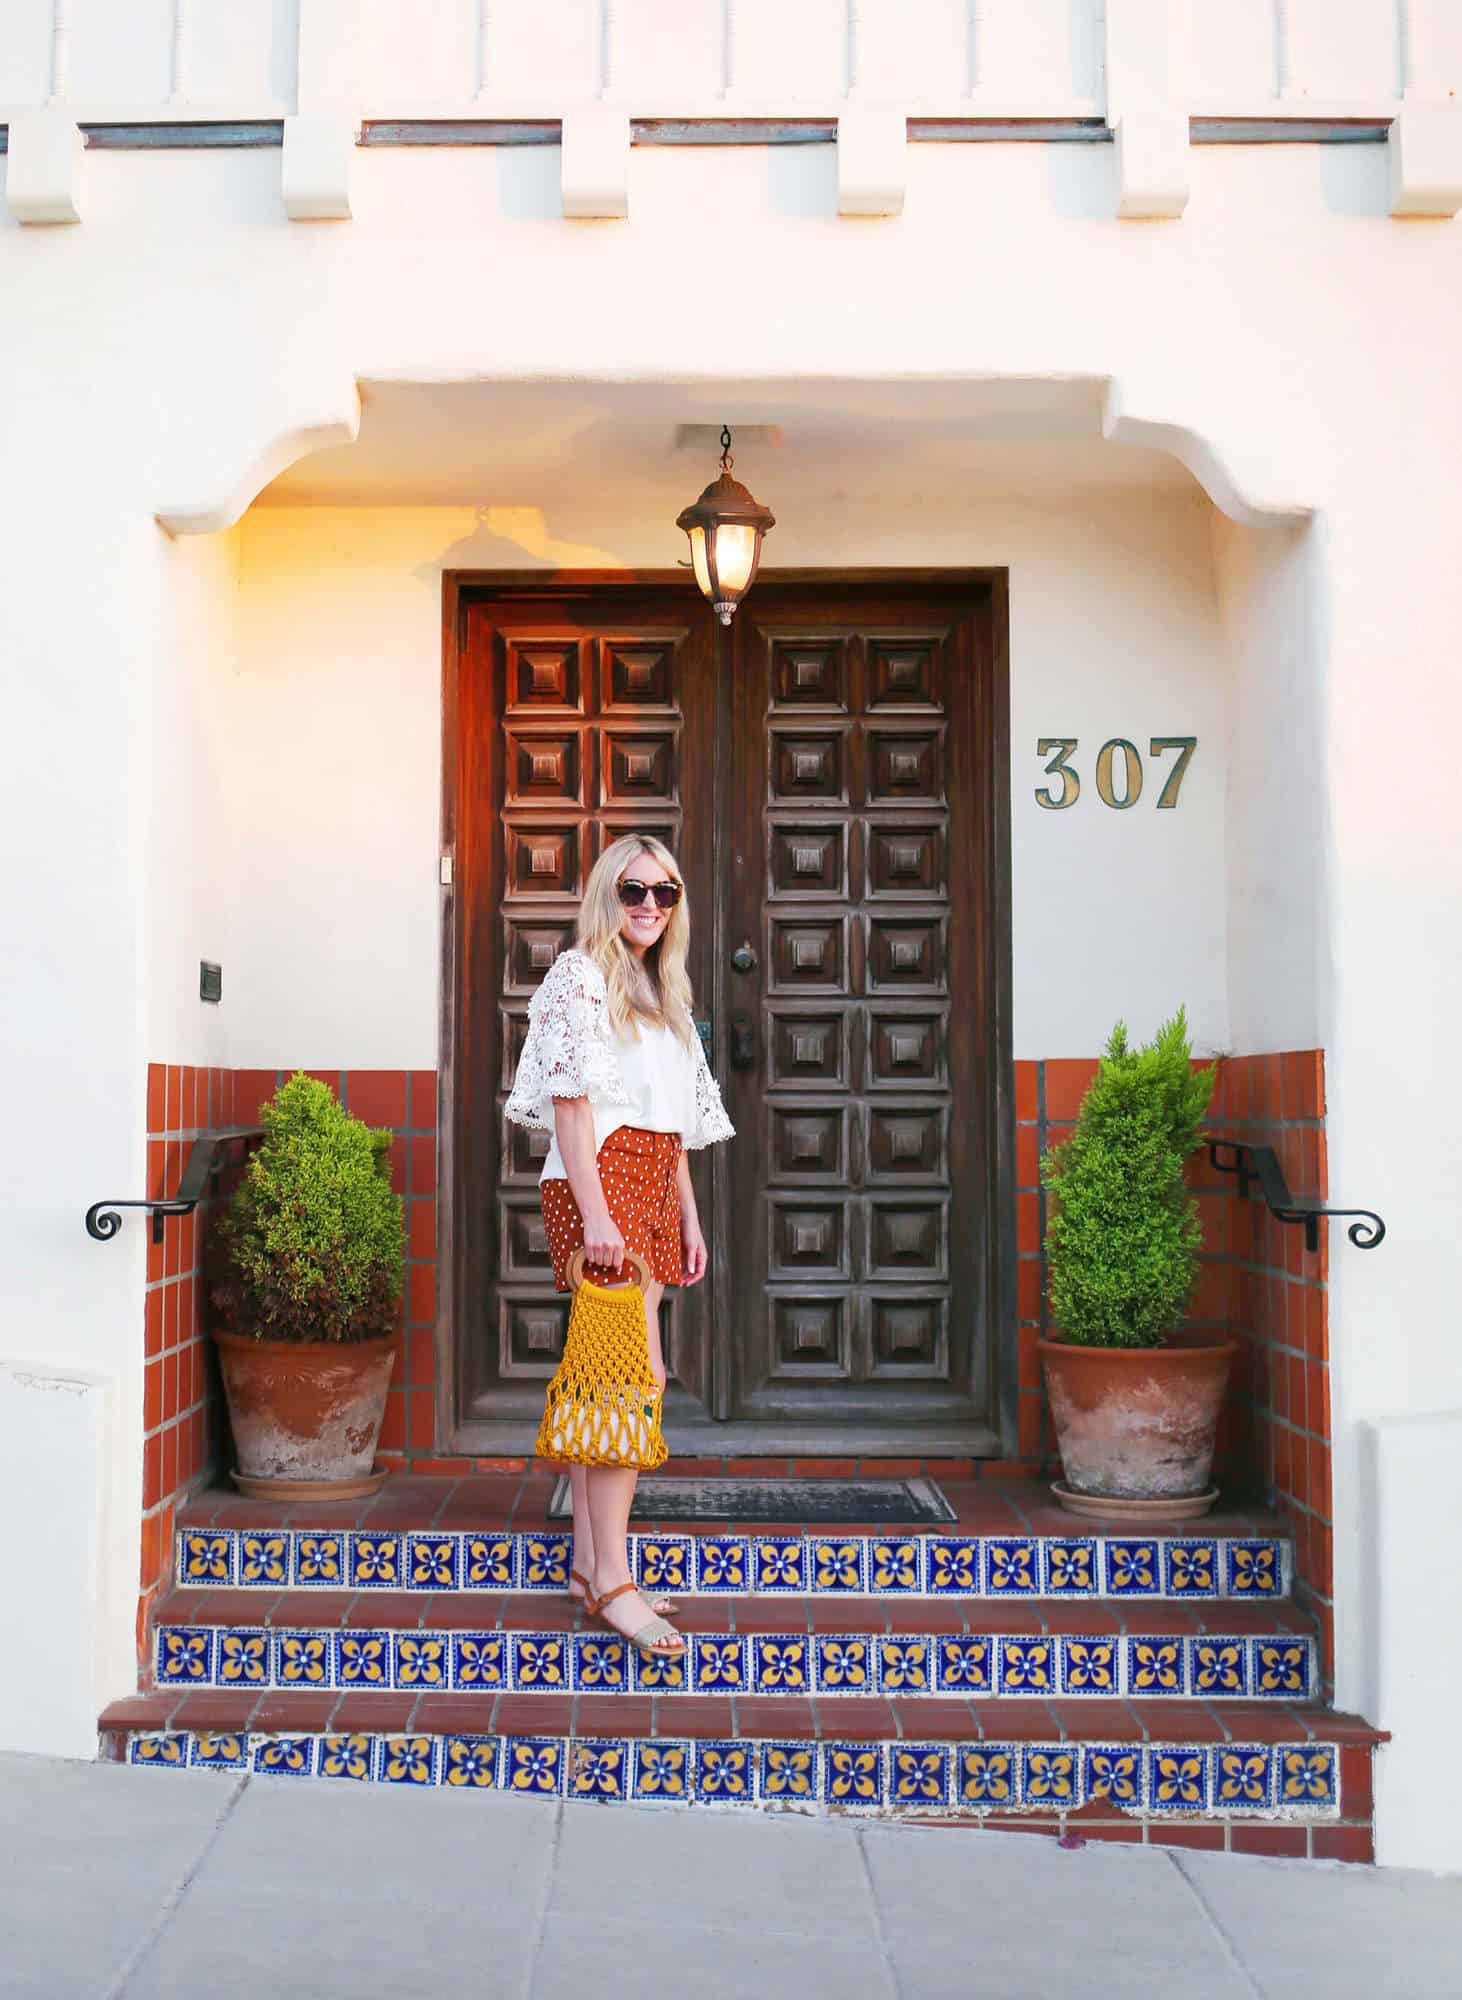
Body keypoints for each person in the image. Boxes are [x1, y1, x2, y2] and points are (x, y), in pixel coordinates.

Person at [504, 833, 733, 1656]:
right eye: (634, 891)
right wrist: (599, 1218)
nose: (649, 907)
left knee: (616, 1371)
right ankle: (614, 1581)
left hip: (652, 1186)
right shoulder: (579, 975)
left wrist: (690, 1218)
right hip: (597, 1181)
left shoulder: (662, 989)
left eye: (665, 893)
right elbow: (571, 1105)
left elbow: (671, 1128)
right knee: (629, 1382)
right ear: (609, 894)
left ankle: (585, 1565)